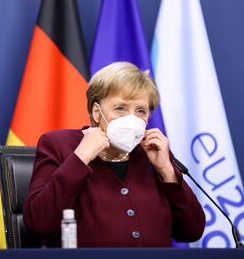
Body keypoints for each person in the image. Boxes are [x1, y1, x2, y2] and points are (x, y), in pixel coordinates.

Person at [23, 62, 205, 247]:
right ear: (97, 112)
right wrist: (80, 158)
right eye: (120, 108)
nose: (131, 118)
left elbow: (192, 231)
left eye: (140, 111)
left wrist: (167, 171)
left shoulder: (152, 153)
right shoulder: (59, 145)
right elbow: (39, 223)